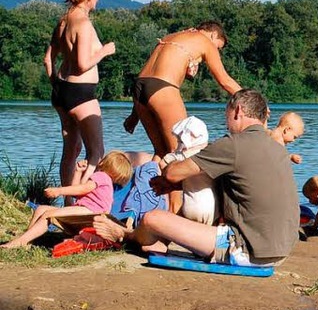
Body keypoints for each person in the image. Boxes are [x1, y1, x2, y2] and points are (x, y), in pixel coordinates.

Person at [104, 90, 299, 266]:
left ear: (238, 111)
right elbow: (244, 185)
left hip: (246, 251)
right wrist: (179, 185)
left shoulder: (233, 144)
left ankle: (124, 234)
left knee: (152, 219)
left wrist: (172, 169)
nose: (226, 122)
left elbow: (172, 172)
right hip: (280, 250)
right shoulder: (277, 148)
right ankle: (152, 240)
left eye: (227, 115)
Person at [124, 22, 241, 159]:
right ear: (213, 34)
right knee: (181, 151)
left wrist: (135, 115)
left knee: (161, 152)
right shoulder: (205, 41)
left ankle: (148, 179)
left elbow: (150, 79)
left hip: (139, 88)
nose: (217, 51)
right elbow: (225, 81)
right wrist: (252, 101)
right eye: (218, 47)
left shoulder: (172, 36)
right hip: (162, 88)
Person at [45, 0, 116, 196]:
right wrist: (104, 51)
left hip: (63, 92)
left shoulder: (63, 21)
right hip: (81, 94)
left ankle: (67, 203)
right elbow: (83, 63)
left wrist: (56, 84)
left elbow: (48, 59)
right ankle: (85, 200)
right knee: (96, 151)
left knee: (72, 150)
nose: (98, 1)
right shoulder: (83, 24)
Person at [1, 151, 132, 249]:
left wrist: (59, 191)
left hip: (90, 211)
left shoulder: (101, 176)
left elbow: (82, 189)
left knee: (48, 215)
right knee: (42, 209)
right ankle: (29, 239)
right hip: (88, 211)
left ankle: (21, 242)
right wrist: (78, 172)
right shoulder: (105, 181)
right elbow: (77, 192)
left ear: (103, 162)